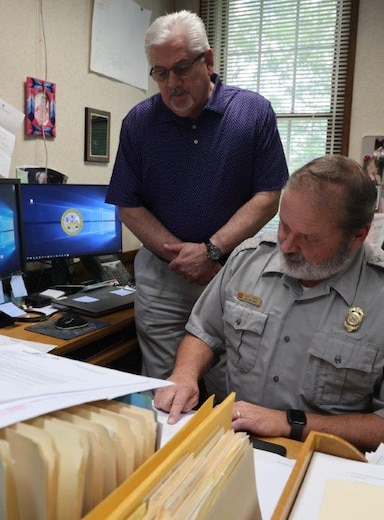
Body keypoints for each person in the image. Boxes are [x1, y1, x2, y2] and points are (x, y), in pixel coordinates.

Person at [153, 155, 384, 458]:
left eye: (308, 238)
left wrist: (289, 423)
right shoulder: (248, 259)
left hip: (330, 460)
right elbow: (203, 332)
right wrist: (184, 374)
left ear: (358, 235)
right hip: (237, 446)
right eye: (284, 226)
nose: (287, 246)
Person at [106, 10, 289, 398]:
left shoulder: (252, 113)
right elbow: (128, 204)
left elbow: (269, 196)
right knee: (166, 385)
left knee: (234, 386)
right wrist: (183, 257)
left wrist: (211, 250)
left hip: (232, 274)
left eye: (181, 68)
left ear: (207, 60)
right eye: (160, 73)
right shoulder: (138, 123)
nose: (172, 84)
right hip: (163, 277)